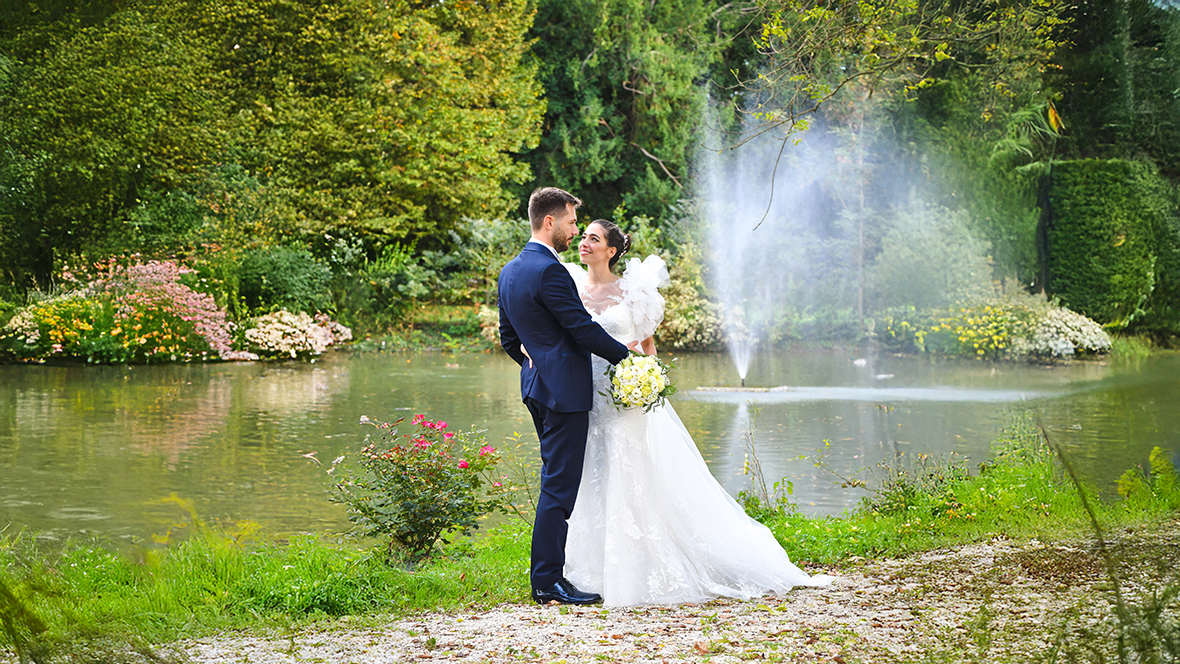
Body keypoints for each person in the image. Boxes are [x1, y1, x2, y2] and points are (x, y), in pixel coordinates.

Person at [560, 219, 835, 606]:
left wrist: (646, 379)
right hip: (585, 394)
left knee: (631, 471)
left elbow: (647, 345)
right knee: (593, 472)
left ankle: (639, 567)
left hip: (626, 398)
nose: (584, 242)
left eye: (594, 238)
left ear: (611, 251)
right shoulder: (569, 284)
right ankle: (590, 568)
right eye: (583, 235)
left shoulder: (632, 292)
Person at [497, 188, 637, 606]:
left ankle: (548, 576)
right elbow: (581, 328)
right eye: (573, 223)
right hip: (564, 394)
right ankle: (547, 582)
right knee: (558, 489)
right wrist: (629, 359)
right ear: (549, 222)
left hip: (538, 389)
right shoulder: (549, 271)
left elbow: (509, 339)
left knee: (554, 483)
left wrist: (535, 361)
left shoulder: (510, 270)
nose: (575, 230)